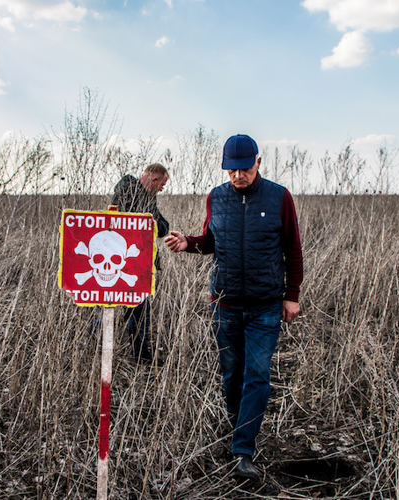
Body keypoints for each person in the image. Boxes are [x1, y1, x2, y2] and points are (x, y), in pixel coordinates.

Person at [163, 134, 303, 480]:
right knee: (232, 375)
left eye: (244, 169)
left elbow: (293, 249)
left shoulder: (279, 197)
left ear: (257, 163)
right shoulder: (217, 197)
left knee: (257, 375)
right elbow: (212, 241)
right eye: (231, 170)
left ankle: (243, 450)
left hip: (266, 305)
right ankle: (238, 426)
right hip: (225, 303)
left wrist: (292, 294)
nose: (238, 176)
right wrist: (189, 243)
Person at [111, 163, 170, 363]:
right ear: (154, 179)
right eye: (162, 185)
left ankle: (140, 353)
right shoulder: (127, 191)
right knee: (116, 306)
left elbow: (163, 227)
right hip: (123, 261)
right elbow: (126, 222)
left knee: (138, 309)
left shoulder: (148, 199)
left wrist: (150, 221)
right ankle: (140, 355)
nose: (162, 189)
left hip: (141, 262)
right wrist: (149, 221)